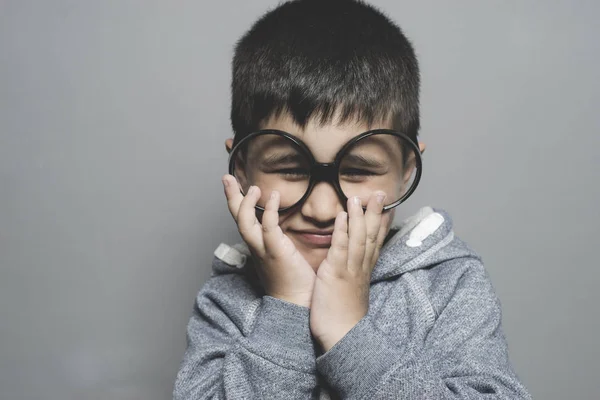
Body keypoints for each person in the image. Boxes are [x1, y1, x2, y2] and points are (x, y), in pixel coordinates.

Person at [173, 0, 531, 398]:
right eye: (290, 169)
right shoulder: (226, 300)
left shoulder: (449, 285)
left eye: (358, 170)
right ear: (241, 168)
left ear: (406, 170)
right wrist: (286, 306)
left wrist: (349, 333)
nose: (322, 210)